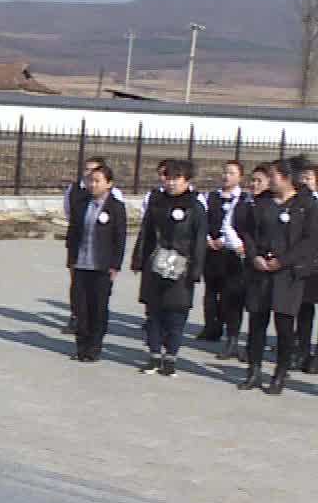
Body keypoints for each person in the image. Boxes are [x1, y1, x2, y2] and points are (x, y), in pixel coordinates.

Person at [236, 159, 318, 394]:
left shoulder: (307, 205)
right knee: (257, 323)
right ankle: (253, 371)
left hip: (288, 273)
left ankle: (280, 374)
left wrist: (283, 261)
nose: (268, 180)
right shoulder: (260, 203)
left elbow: (310, 240)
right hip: (260, 271)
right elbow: (248, 232)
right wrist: (254, 256)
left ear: (286, 178)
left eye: (272, 176)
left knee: (284, 326)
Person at [131, 160, 207, 377]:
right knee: (153, 312)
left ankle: (171, 358)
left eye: (177, 178)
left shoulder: (195, 206)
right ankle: (154, 355)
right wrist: (139, 259)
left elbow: (199, 240)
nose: (171, 183)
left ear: (187, 180)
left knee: (176, 314)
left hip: (182, 266)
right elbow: (145, 232)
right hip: (155, 264)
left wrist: (196, 270)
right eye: (169, 178)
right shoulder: (156, 202)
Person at [65, 162, 125, 363]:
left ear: (109, 184)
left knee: (98, 308)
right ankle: (81, 346)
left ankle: (94, 347)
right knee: (80, 308)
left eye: (98, 181)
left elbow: (120, 238)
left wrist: (115, 265)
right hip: (81, 264)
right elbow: (72, 233)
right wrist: (71, 260)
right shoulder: (81, 204)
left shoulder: (116, 208)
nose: (93, 184)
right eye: (91, 180)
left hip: (101, 266)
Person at [199, 160, 250, 359]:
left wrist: (223, 239)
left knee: (231, 296)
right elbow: (202, 220)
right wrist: (207, 239)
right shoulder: (211, 197)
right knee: (211, 291)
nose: (226, 176)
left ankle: (232, 336)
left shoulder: (244, 199)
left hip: (231, 254)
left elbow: (239, 226)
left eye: (231, 173)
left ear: (240, 177)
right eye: (224, 172)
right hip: (211, 252)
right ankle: (211, 327)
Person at [296, 156, 318, 374]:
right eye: (302, 178)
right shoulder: (301, 204)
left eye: (309, 178)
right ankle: (301, 349)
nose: (305, 181)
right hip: (307, 264)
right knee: (304, 308)